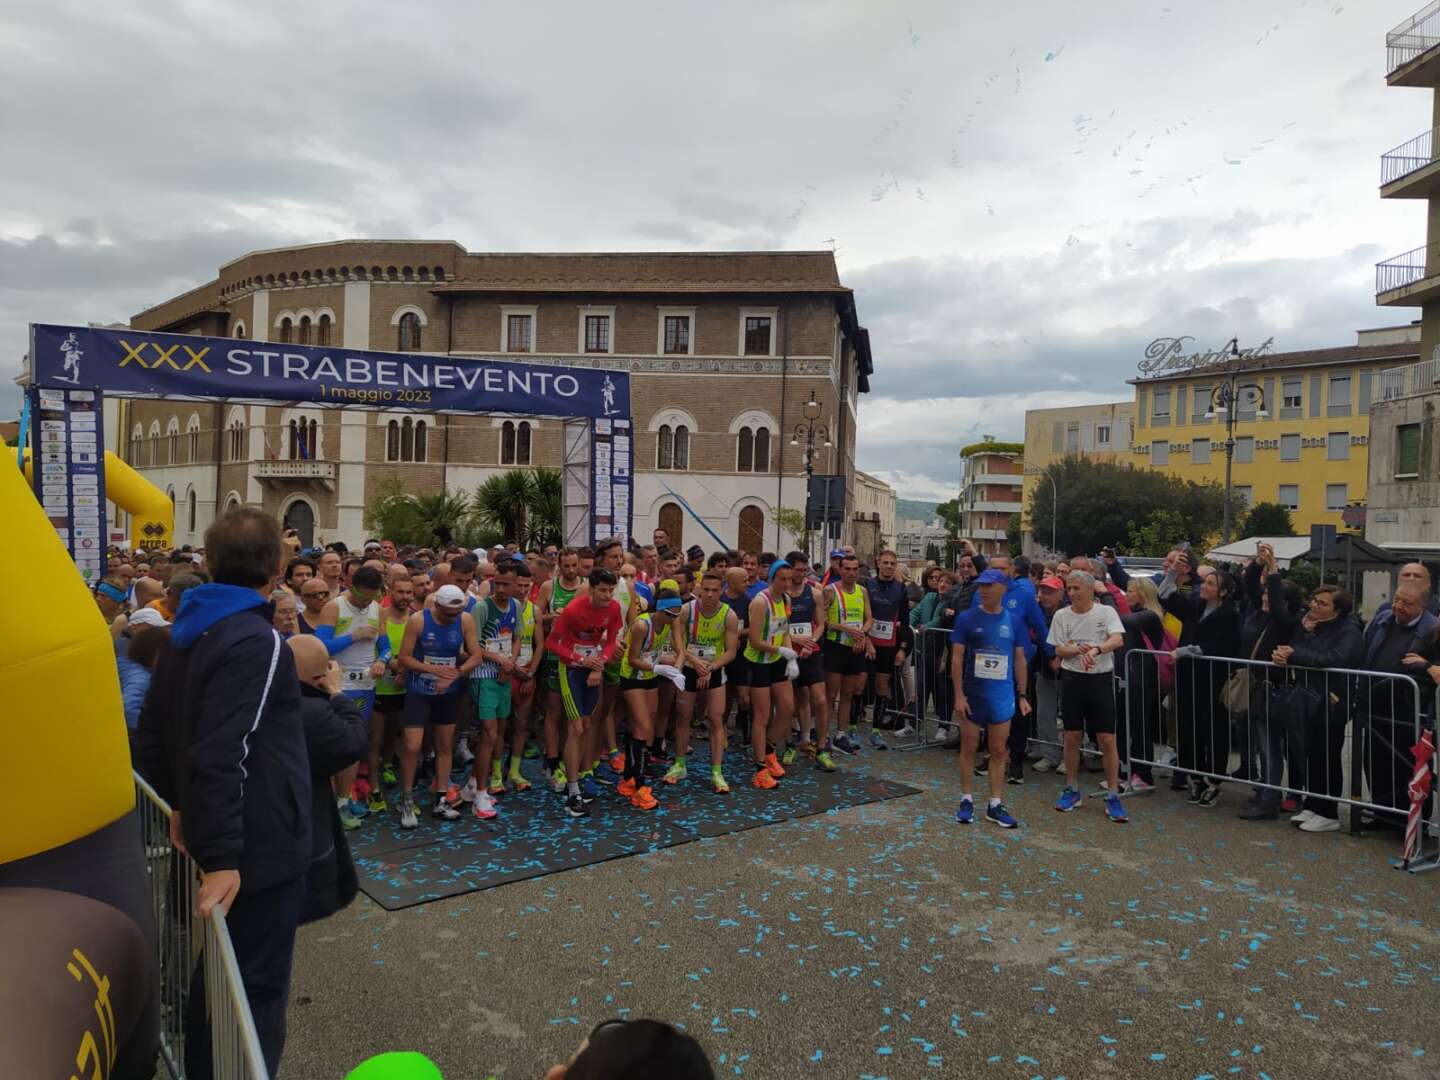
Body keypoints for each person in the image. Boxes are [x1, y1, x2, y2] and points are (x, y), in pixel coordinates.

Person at [135, 508, 310, 1079]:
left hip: (218, 826)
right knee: (253, 990)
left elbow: (154, 730)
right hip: (255, 842)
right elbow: (223, 747)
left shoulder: (187, 627)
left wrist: (181, 807)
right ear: (279, 568)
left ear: (209, 563)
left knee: (218, 980)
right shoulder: (257, 639)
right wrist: (227, 856)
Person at [287, 635, 367, 925]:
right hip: (299, 823)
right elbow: (352, 742)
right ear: (320, 676)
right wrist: (337, 693)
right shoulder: (310, 709)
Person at [1272, 585, 1363, 833]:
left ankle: (1328, 811)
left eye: (1322, 603)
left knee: (1327, 757)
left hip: (1332, 701)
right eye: (1314, 600)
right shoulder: (1310, 626)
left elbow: (1334, 659)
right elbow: (1298, 651)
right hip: (1308, 697)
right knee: (1310, 755)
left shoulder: (1349, 631)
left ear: (1338, 610)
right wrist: (1285, 655)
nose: (1314, 605)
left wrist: (1296, 654)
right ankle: (1313, 803)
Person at [396, 584, 485, 828]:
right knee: (412, 745)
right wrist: (433, 670)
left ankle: (442, 797)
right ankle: (406, 798)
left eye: (455, 614)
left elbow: (476, 655)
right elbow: (404, 658)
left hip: (448, 691)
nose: (451, 619)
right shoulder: (417, 620)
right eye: (447, 614)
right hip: (419, 690)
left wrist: (456, 674)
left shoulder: (465, 620)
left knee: (445, 745)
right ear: (436, 607)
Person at [1047, 571, 1129, 823]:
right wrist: (1072, 650)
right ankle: (1072, 789)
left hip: (1100, 680)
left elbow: (1117, 639)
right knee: (1072, 735)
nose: (1071, 593)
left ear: (1089, 589)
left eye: (1075, 588)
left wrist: (1096, 649)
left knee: (1106, 738)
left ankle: (1113, 794)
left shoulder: (1105, 612)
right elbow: (1058, 648)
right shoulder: (1062, 615)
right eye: (1068, 589)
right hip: (1072, 680)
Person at [1160, 555, 1243, 806]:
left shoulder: (1230, 615)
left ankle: (1213, 781)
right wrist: (1173, 572)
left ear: (1224, 592)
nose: (1204, 587)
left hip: (1212, 681)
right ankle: (1193, 777)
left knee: (1212, 731)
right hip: (1187, 678)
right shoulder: (1195, 606)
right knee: (1188, 729)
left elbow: (1217, 646)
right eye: (1204, 582)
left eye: (1210, 584)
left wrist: (1184, 651)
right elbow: (1165, 595)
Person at [949, 568, 1029, 828]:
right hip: (973, 694)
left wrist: (1023, 694)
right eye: (981, 586)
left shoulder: (1014, 620)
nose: (983, 590)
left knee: (998, 749)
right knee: (969, 748)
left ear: (1003, 589)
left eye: (989, 586)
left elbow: (1019, 658)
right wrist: (959, 695)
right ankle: (966, 799)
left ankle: (995, 804)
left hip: (1002, 695)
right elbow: (957, 657)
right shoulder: (967, 619)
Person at [545, 567, 626, 818]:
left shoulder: (613, 609)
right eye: (602, 590)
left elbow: (611, 640)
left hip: (592, 668)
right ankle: (572, 791)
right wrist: (581, 659)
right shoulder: (573, 610)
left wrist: (599, 662)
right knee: (576, 727)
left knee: (588, 723)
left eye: (610, 590)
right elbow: (552, 643)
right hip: (570, 670)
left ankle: (579, 774)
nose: (607, 595)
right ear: (590, 589)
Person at [1233, 545, 1302, 821]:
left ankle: (1271, 797)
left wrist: (1273, 569)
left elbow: (1275, 602)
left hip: (1273, 688)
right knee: (1261, 744)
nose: (1264, 599)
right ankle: (1264, 789)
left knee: (1270, 745)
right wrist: (1257, 564)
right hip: (1253, 685)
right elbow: (1250, 585)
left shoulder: (1283, 620)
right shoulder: (1256, 612)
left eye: (1270, 597)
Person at [315, 565, 387, 829]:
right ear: (350, 585)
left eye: (370, 597)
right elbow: (320, 646)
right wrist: (353, 637)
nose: (365, 602)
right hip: (338, 684)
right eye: (361, 597)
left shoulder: (378, 609)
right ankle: (334, 803)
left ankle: (345, 799)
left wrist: (382, 660)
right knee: (338, 744)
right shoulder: (335, 607)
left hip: (366, 684)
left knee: (357, 743)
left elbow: (386, 645)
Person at [1360, 584, 1437, 825]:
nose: (1398, 607)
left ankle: (1415, 822)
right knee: (1376, 763)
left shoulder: (1430, 630)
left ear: (1423, 607)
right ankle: (1382, 813)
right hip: (1376, 707)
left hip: (1409, 711)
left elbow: (1424, 666)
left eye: (1407, 603)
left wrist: (1424, 666)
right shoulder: (1384, 620)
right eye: (1396, 600)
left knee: (1409, 768)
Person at [671, 571, 741, 792]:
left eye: (715, 591)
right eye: (706, 590)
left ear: (721, 591)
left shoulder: (728, 615)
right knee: (683, 717)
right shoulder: (686, 611)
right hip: (691, 668)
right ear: (699, 588)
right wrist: (695, 662)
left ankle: (717, 772)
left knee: (716, 719)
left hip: (714, 670)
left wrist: (710, 667)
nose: (709, 595)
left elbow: (731, 652)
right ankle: (679, 764)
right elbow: (677, 644)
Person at [463, 561, 522, 821]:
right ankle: (481, 794)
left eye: (507, 584)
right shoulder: (481, 608)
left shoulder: (516, 607)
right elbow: (472, 645)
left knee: (498, 733)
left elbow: (517, 637)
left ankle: (473, 784)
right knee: (488, 734)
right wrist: (499, 661)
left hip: (504, 676)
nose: (501, 588)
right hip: (483, 676)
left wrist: (510, 661)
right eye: (498, 583)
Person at [617, 584, 684, 810]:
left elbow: (680, 650)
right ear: (660, 611)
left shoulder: (671, 621)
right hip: (633, 676)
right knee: (643, 726)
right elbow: (632, 658)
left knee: (646, 724)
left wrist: (677, 669)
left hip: (651, 675)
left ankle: (628, 777)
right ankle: (639, 786)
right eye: (669, 614)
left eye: (676, 614)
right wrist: (658, 668)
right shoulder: (641, 625)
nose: (672, 618)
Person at [744, 561, 799, 789]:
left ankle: (769, 750)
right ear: (773, 579)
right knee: (762, 715)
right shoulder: (760, 602)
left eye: (789, 579)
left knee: (787, 707)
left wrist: (791, 656)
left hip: (777, 659)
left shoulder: (786, 600)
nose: (786, 583)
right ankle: (759, 770)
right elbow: (755, 640)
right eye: (782, 579)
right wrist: (780, 650)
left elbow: (785, 630)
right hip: (758, 661)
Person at [1117, 576, 1171, 795]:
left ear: (1142, 594)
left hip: (1142, 681)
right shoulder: (1138, 615)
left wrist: (1105, 596)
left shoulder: (1150, 617)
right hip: (1127, 678)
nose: (1126, 595)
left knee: (1140, 728)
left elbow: (1123, 622)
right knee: (1124, 726)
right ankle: (1125, 771)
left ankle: (1143, 774)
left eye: (1130, 591)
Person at [540, 548, 588, 790]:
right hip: (554, 655)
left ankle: (570, 762)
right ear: (558, 565)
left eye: (574, 565)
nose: (570, 570)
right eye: (566, 566)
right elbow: (537, 618)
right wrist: (553, 617)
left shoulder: (587, 586)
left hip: (580, 658)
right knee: (554, 711)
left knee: (576, 715)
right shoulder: (549, 587)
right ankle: (551, 761)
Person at [368, 575, 415, 812]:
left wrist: (406, 671)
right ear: (389, 592)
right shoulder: (380, 616)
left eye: (409, 592)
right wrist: (391, 665)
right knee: (375, 737)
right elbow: (372, 650)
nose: (405, 597)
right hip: (381, 686)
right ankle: (373, 787)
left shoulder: (416, 618)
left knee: (396, 733)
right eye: (400, 592)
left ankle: (388, 765)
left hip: (406, 685)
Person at [785, 551, 834, 771]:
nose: (801, 574)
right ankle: (789, 744)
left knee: (820, 700)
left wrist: (811, 642)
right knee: (790, 703)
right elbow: (776, 626)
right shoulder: (781, 594)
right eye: (797, 570)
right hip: (786, 654)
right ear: (788, 569)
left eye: (805, 571)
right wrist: (796, 641)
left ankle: (822, 747)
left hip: (810, 653)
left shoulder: (814, 593)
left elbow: (821, 623)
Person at [823, 555, 872, 754]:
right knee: (830, 694)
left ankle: (841, 734)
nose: (851, 573)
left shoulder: (862, 591)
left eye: (855, 569)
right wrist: (845, 628)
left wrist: (862, 635)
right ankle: (824, 735)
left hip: (855, 648)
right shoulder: (830, 591)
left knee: (848, 694)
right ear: (840, 570)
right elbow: (823, 620)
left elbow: (869, 618)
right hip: (836, 647)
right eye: (847, 569)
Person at [865, 550, 909, 730]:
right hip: (868, 642)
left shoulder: (900, 588)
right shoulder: (868, 585)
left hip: (889, 645)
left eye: (892, 563)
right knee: (860, 684)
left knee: (882, 685)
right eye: (886, 563)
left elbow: (905, 620)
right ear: (878, 563)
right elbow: (862, 616)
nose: (889, 566)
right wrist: (866, 638)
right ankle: (852, 725)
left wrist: (903, 648)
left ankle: (876, 726)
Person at [1028, 575, 1065, 773]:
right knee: (1044, 714)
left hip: (1068, 672)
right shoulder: (1036, 612)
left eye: (1049, 591)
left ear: (1060, 593)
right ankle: (1050, 754)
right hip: (1043, 670)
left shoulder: (1067, 611)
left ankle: (1071, 757)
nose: (1044, 596)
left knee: (1071, 718)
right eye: (1042, 591)